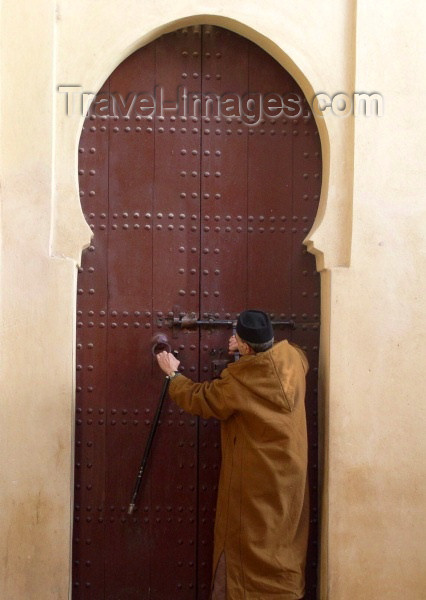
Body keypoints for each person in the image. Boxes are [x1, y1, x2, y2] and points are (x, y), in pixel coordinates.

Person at [156, 309, 309, 600]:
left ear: (246, 346)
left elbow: (199, 398)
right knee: (282, 543)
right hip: (290, 480)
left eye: (239, 340)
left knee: (246, 548)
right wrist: (248, 349)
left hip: (255, 484)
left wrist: (173, 374)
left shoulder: (240, 381)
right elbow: (295, 355)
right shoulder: (293, 360)